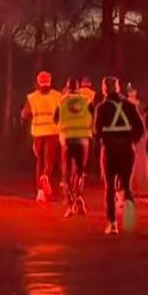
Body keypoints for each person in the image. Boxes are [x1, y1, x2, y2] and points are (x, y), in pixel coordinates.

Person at [93, 77, 144, 235]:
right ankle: (129, 220)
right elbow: (140, 128)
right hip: (127, 149)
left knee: (109, 187)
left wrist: (105, 139)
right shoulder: (129, 106)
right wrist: (131, 140)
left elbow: (96, 131)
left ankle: (112, 224)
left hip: (109, 150)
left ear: (104, 90)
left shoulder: (102, 108)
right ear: (118, 88)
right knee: (126, 185)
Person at [54, 84, 94, 217]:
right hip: (83, 138)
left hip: (67, 138)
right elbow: (94, 117)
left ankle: (70, 204)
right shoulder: (87, 100)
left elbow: (55, 119)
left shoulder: (62, 101)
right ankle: (79, 197)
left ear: (66, 90)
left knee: (66, 171)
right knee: (81, 171)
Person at [22, 71, 61, 202]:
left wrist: (31, 115)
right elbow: (61, 114)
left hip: (37, 132)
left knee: (39, 161)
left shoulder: (32, 97)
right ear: (49, 82)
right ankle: (45, 175)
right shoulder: (57, 96)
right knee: (49, 160)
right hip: (52, 132)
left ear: (38, 83)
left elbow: (24, 114)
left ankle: (40, 192)